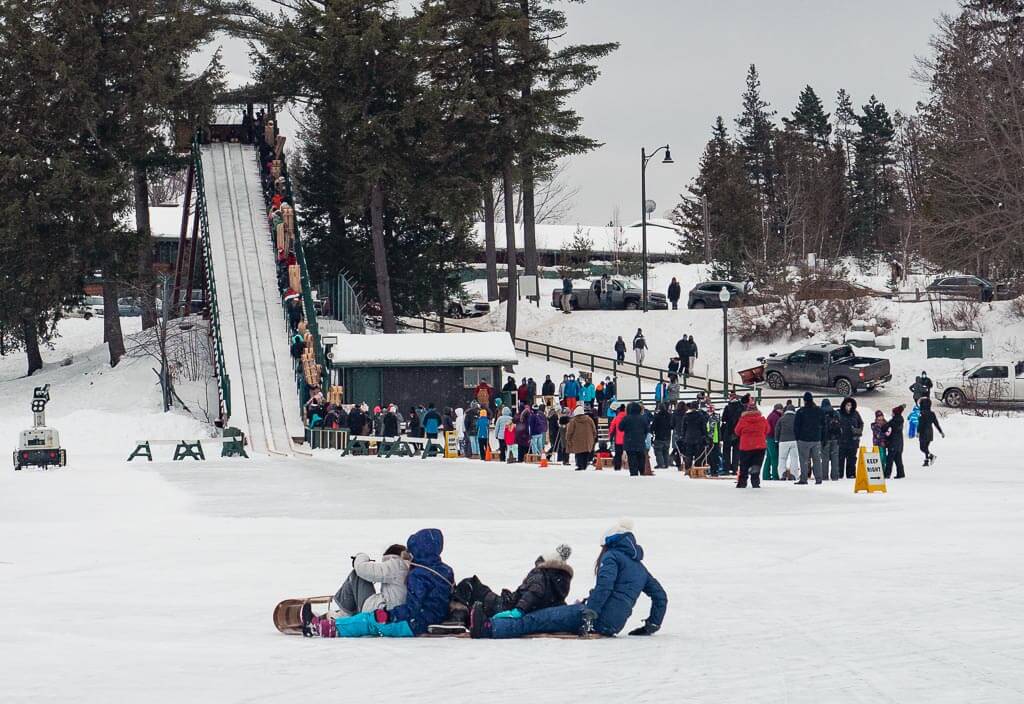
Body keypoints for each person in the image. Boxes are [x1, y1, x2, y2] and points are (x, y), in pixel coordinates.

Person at [470, 519, 667, 639]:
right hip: (614, 623)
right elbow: (660, 596)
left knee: (534, 620)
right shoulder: (639, 567)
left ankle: (488, 628)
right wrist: (652, 624)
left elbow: (604, 587)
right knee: (550, 615)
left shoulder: (612, 557)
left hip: (597, 618)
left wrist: (590, 613)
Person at [307, 529, 453, 638]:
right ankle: (337, 618)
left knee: (369, 621)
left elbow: (413, 607)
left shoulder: (417, 574)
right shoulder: (445, 571)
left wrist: (389, 615)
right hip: (429, 619)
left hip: (414, 623)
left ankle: (325, 627)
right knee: (369, 619)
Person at [451, 545, 574, 627]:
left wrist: (518, 610)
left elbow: (534, 592)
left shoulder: (540, 574)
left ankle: (456, 618)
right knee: (476, 590)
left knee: (469, 584)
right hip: (513, 604)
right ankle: (464, 617)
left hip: (506, 606)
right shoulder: (560, 580)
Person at [733, 401, 768, 488]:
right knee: (756, 464)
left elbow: (737, 431)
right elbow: (767, 430)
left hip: (746, 446)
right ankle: (755, 481)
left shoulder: (743, 420)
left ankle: (742, 482)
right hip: (759, 446)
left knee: (744, 465)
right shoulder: (762, 420)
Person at [794, 392, 825, 484]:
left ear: (804, 400)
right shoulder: (819, 411)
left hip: (803, 439)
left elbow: (796, 426)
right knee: (817, 460)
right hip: (816, 439)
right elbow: (823, 425)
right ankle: (819, 478)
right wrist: (821, 437)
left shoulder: (801, 412)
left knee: (804, 460)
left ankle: (804, 478)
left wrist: (798, 437)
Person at [620, 402, 650, 477]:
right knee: (641, 458)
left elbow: (620, 428)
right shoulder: (642, 418)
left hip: (629, 442)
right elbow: (647, 429)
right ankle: (642, 471)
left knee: (632, 459)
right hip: (640, 442)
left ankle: (634, 474)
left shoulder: (626, 418)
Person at [836, 397, 864, 479]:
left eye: (850, 405)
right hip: (841, 441)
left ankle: (851, 475)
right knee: (840, 459)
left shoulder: (855, 414)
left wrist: (858, 431)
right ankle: (839, 474)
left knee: (852, 460)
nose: (849, 407)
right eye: (847, 405)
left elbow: (861, 424)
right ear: (844, 405)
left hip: (853, 441)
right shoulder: (839, 413)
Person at [565, 405, 598, 471]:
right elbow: (594, 429)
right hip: (588, 441)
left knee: (579, 453)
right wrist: (594, 437)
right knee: (585, 453)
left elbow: (569, 432)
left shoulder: (573, 421)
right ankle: (584, 465)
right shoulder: (589, 419)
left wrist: (568, 439)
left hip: (577, 441)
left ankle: (580, 465)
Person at [720, 393, 745, 474]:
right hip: (738, 432)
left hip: (728, 431)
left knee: (726, 451)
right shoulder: (742, 408)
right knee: (736, 451)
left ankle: (726, 468)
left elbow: (723, 419)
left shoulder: (727, 407)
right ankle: (735, 468)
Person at [774, 403, 799, 480]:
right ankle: (794, 475)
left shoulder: (781, 418)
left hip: (783, 441)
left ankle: (782, 474)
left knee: (782, 458)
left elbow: (777, 429)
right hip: (794, 441)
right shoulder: (796, 418)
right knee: (794, 458)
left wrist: (776, 439)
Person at [917, 397, 944, 466]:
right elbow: (936, 423)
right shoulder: (932, 413)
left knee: (922, 448)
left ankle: (931, 456)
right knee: (926, 447)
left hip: (923, 432)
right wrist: (941, 431)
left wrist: (918, 432)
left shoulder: (921, 413)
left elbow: (921, 424)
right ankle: (926, 461)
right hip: (930, 432)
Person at [820, 399, 842, 482]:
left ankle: (824, 476)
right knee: (835, 457)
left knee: (825, 458)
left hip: (825, 438)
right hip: (835, 438)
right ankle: (835, 476)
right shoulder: (835, 413)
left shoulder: (821, 412)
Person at [883, 405, 906, 479]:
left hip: (893, 443)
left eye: (892, 412)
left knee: (890, 459)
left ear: (895, 413)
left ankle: (887, 474)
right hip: (900, 443)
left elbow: (884, 428)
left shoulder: (893, 421)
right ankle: (901, 473)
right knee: (898, 459)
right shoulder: (901, 420)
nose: (891, 413)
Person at [762, 403, 783, 481]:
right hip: (772, 439)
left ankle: (766, 475)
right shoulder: (776, 417)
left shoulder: (772, 415)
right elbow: (776, 429)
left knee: (769, 458)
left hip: (768, 438)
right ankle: (775, 475)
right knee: (774, 457)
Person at [652, 403, 673, 469]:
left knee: (658, 451)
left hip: (659, 436)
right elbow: (672, 425)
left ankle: (661, 464)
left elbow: (653, 426)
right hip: (667, 436)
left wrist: (652, 430)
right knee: (666, 451)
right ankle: (666, 464)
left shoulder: (657, 416)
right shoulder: (669, 416)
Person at [608, 404, 627, 470]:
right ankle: (629, 466)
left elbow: (612, 428)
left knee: (618, 454)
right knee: (630, 454)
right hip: (627, 440)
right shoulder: (628, 417)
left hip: (618, 440)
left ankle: (617, 467)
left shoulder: (616, 418)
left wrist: (610, 436)